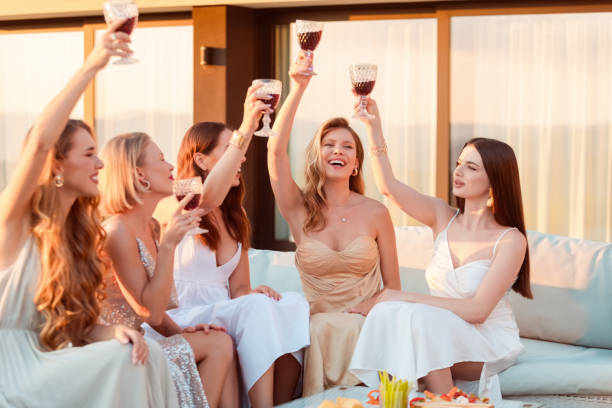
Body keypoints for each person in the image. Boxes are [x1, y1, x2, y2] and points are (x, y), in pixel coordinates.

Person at [0, 21, 178, 407]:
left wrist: (113, 331)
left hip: (48, 359)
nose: (100, 163)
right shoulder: (15, 223)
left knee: (146, 354)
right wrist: (93, 65)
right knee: (125, 362)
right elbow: (38, 144)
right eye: (87, 154)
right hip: (11, 369)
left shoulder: (76, 233)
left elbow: (76, 327)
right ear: (57, 164)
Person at [348, 99, 532, 399]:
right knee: (390, 311)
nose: (458, 172)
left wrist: (404, 295)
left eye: (471, 167)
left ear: (494, 182)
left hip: (486, 341)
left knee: (414, 314)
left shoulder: (511, 240)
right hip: (437, 331)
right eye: (459, 163)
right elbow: (389, 188)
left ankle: (446, 403)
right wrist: (373, 127)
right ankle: (395, 398)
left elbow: (477, 311)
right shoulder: (442, 217)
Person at [160, 84, 310, 408]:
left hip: (224, 310)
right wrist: (247, 124)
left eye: (238, 149)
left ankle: (283, 401)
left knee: (293, 303)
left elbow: (240, 288)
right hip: (185, 314)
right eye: (230, 150)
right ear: (201, 159)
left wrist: (255, 294)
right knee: (257, 309)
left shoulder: (234, 215)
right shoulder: (178, 198)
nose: (240, 158)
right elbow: (207, 197)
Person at [267, 53, 401, 396]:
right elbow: (275, 151)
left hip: (366, 323)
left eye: (346, 146)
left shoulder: (376, 213)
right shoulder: (298, 208)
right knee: (310, 329)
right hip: (314, 328)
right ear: (318, 155)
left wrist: (365, 310)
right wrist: (298, 87)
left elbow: (394, 288)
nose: (336, 150)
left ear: (356, 163)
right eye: (328, 144)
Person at [98, 131, 240, 408]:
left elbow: (157, 316)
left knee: (218, 338)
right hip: (116, 354)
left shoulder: (150, 225)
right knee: (218, 346)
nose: (171, 167)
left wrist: (185, 330)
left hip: (138, 343)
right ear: (140, 175)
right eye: (161, 159)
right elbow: (147, 311)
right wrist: (168, 246)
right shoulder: (117, 231)